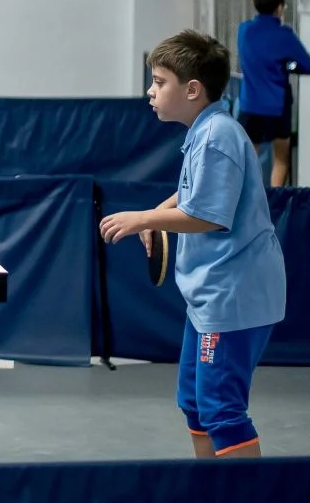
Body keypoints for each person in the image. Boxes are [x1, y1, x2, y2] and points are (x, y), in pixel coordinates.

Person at [100, 31, 286, 459]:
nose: (150, 91)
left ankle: (243, 500)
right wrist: (157, 211)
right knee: (196, 404)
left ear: (192, 90)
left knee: (221, 409)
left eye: (159, 82)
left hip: (233, 296)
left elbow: (210, 216)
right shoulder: (206, 131)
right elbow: (194, 194)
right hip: (209, 297)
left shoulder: (218, 136)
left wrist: (143, 219)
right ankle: (209, 492)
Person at [235, 0, 310, 188]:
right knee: (281, 158)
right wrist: (288, 65)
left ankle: (245, 201)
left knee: (247, 161)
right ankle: (274, 201)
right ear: (280, 7)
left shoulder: (244, 31)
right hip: (277, 108)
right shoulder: (284, 35)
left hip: (250, 106)